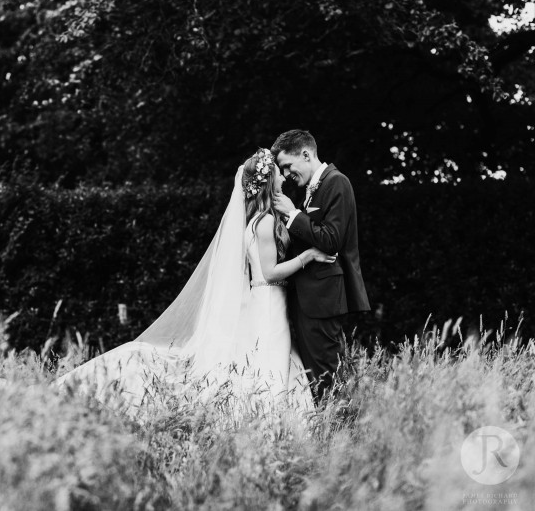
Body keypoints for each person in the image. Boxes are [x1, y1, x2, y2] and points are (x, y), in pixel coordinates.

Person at [54, 149, 336, 418]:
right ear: (266, 181)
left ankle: (266, 420)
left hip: (267, 302)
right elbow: (271, 272)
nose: (284, 177)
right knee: (270, 365)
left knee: (269, 363)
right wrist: (309, 255)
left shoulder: (260, 220)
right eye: (278, 172)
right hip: (268, 303)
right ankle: (268, 420)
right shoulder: (263, 224)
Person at [271, 129, 371, 404]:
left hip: (322, 298)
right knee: (314, 375)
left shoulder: (337, 182)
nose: (287, 173)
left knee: (328, 374)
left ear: (305, 154)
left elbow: (332, 239)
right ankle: (327, 430)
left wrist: (293, 214)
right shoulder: (310, 190)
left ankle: (339, 432)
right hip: (307, 298)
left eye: (287, 166)